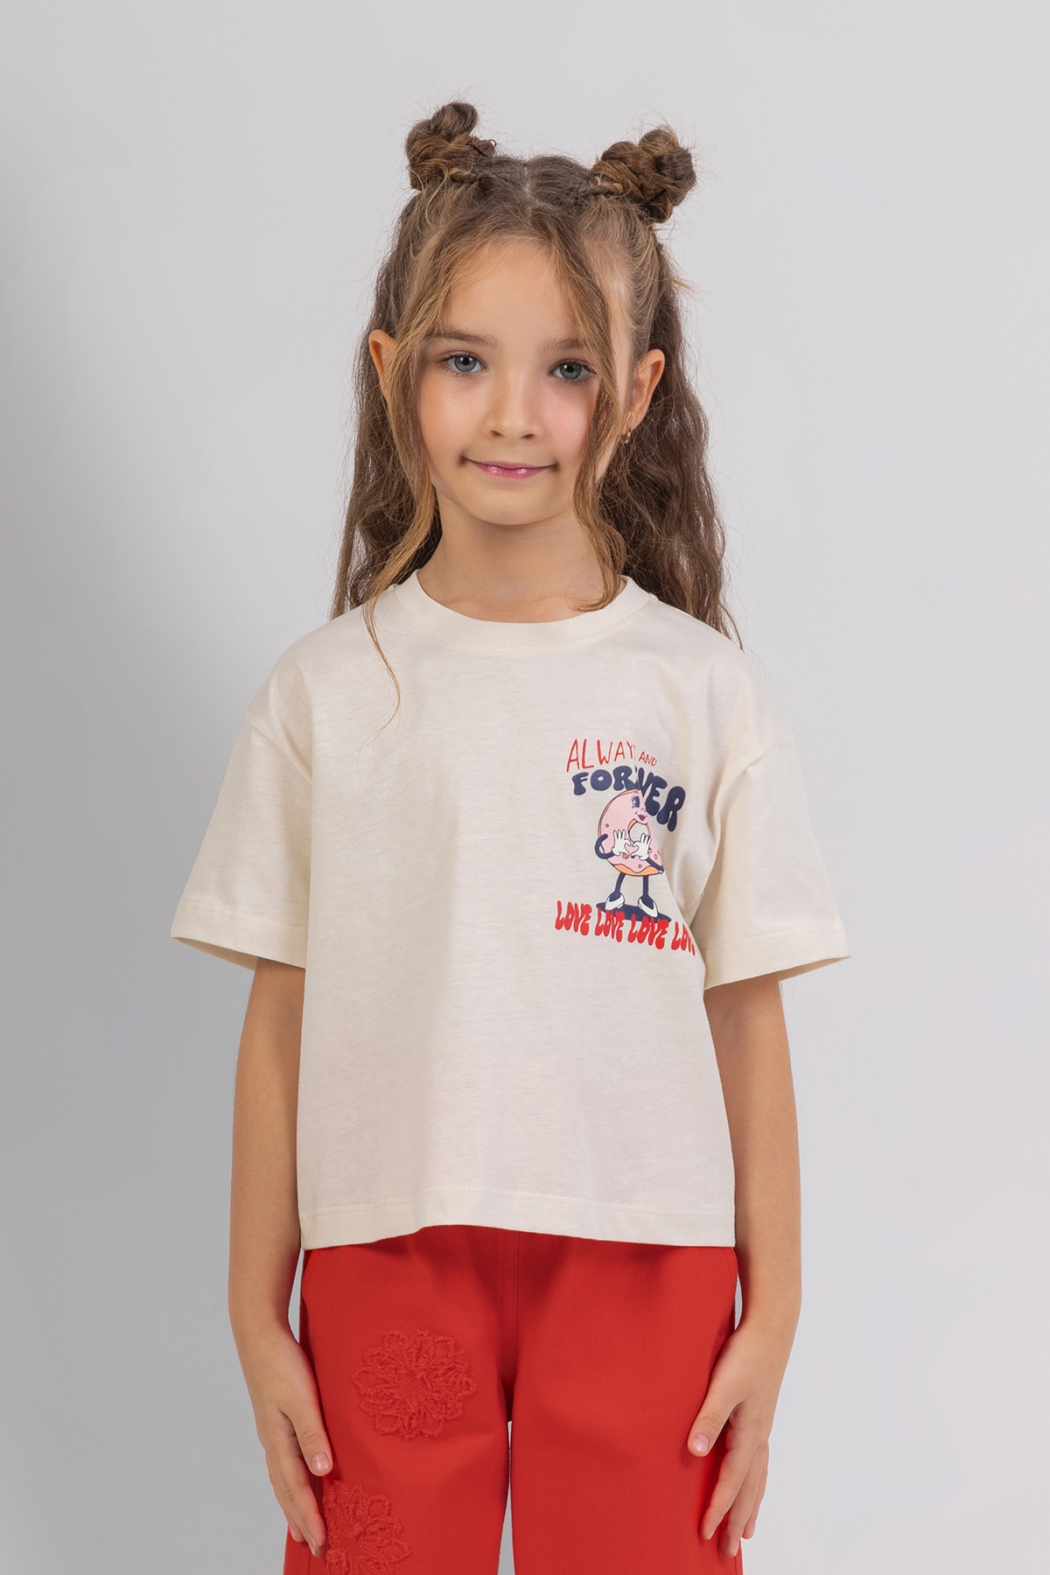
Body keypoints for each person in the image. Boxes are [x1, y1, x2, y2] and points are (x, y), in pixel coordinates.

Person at [170, 101, 849, 1575]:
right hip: (385, 1251)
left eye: (566, 369)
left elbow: (746, 1017)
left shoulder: (702, 692)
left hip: (649, 1258)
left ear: (638, 389)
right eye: (464, 361)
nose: (511, 416)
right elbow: (281, 1017)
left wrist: (776, 1313)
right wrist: (252, 1311)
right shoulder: (327, 692)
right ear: (392, 373)